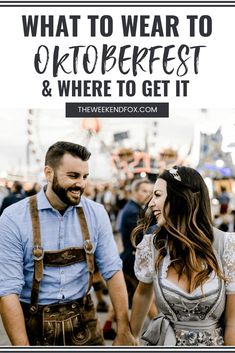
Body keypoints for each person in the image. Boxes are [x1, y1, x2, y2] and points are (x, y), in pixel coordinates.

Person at [0, 141, 135, 346]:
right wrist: (22, 347)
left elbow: (113, 271)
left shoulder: (96, 213)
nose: (81, 184)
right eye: (73, 176)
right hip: (33, 326)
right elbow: (8, 290)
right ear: (49, 173)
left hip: (85, 322)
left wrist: (124, 329)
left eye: (84, 177)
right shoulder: (13, 218)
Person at [130, 166, 235, 346]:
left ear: (180, 198)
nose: (150, 203)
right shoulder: (152, 246)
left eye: (157, 195)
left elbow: (232, 322)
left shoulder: (227, 246)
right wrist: (130, 338)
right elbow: (142, 294)